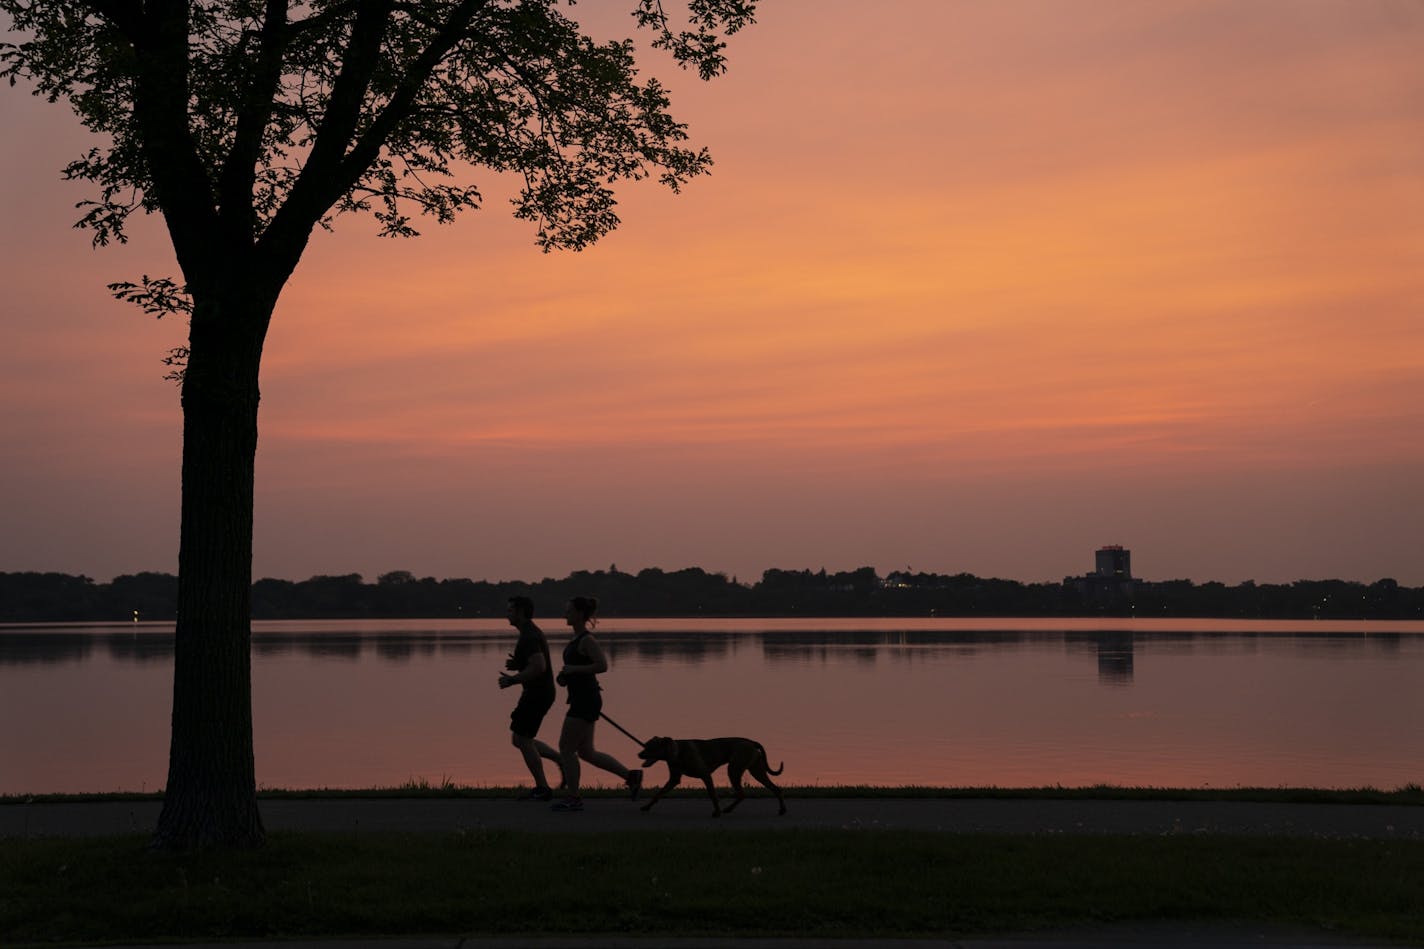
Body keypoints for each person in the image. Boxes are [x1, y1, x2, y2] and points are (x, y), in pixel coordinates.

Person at [551, 595, 642, 811]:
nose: (565, 614)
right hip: (582, 698)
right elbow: (580, 669)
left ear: (580, 615)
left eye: (569, 611)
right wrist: (565, 677)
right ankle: (631, 776)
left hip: (586, 701)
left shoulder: (587, 640)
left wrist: (574, 670)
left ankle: (573, 798)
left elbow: (602, 665)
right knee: (586, 752)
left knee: (566, 748)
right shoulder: (576, 640)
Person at [497, 595, 563, 800]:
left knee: (523, 740)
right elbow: (534, 663)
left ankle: (542, 788)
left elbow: (539, 666)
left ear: (521, 612)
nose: (507, 613)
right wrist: (518, 665)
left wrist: (513, 679)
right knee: (519, 739)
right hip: (537, 692)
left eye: (510, 610)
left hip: (538, 693)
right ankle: (559, 760)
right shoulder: (528, 633)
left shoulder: (529, 636)